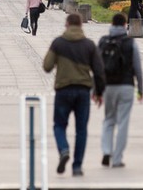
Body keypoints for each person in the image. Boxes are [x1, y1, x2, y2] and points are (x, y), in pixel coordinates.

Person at [42, 13, 105, 177]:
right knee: (81, 129)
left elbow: (47, 66)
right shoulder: (89, 45)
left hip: (63, 90)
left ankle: (64, 149)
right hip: (83, 91)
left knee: (59, 125)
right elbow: (99, 71)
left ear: (67, 24)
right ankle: (77, 166)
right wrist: (99, 92)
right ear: (81, 25)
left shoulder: (58, 43)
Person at [98, 13, 143, 168]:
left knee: (109, 120)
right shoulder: (130, 43)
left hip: (108, 86)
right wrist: (141, 90)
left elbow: (97, 68)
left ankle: (106, 151)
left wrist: (96, 90)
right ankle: (117, 159)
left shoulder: (104, 41)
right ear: (125, 25)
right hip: (126, 86)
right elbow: (137, 67)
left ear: (112, 23)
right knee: (123, 122)